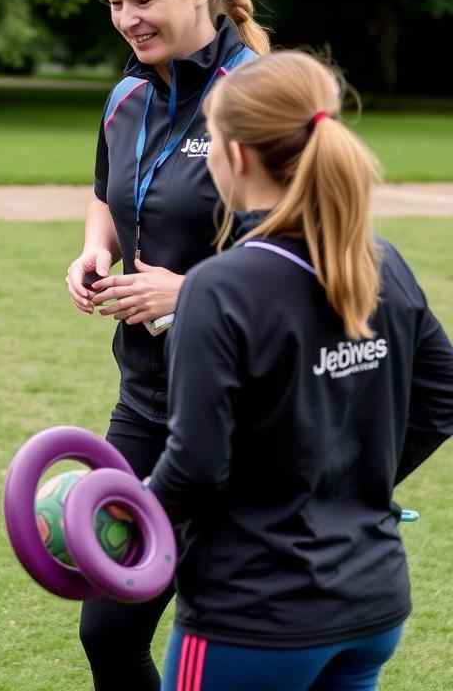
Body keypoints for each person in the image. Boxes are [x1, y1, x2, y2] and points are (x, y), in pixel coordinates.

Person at [149, 51, 453, 691]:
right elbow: (442, 397)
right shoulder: (383, 261)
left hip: (253, 615)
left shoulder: (218, 287)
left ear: (236, 157)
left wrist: (126, 516)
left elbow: (197, 465)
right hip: (369, 603)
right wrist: (342, 483)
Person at [64, 0, 271, 691]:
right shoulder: (126, 98)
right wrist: (95, 247)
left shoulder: (255, 99)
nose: (126, 19)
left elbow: (305, 259)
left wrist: (188, 293)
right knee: (108, 626)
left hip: (246, 414)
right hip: (149, 398)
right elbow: (103, 193)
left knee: (221, 638)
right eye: (115, 2)